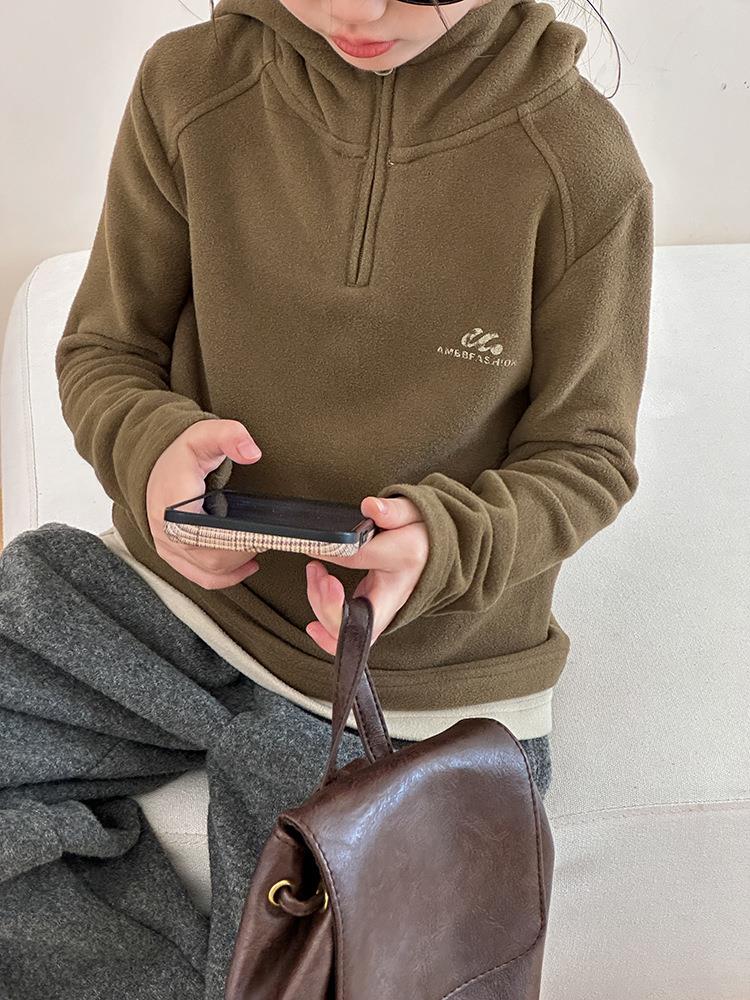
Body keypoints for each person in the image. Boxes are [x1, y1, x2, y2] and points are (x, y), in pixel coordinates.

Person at [1, 0, 653, 994]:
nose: (354, 12)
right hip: (174, 607)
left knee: (325, 959)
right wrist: (153, 450)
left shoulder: (580, 164)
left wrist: (444, 544)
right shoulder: (190, 89)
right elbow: (107, 350)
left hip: (421, 669)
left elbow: (588, 454)